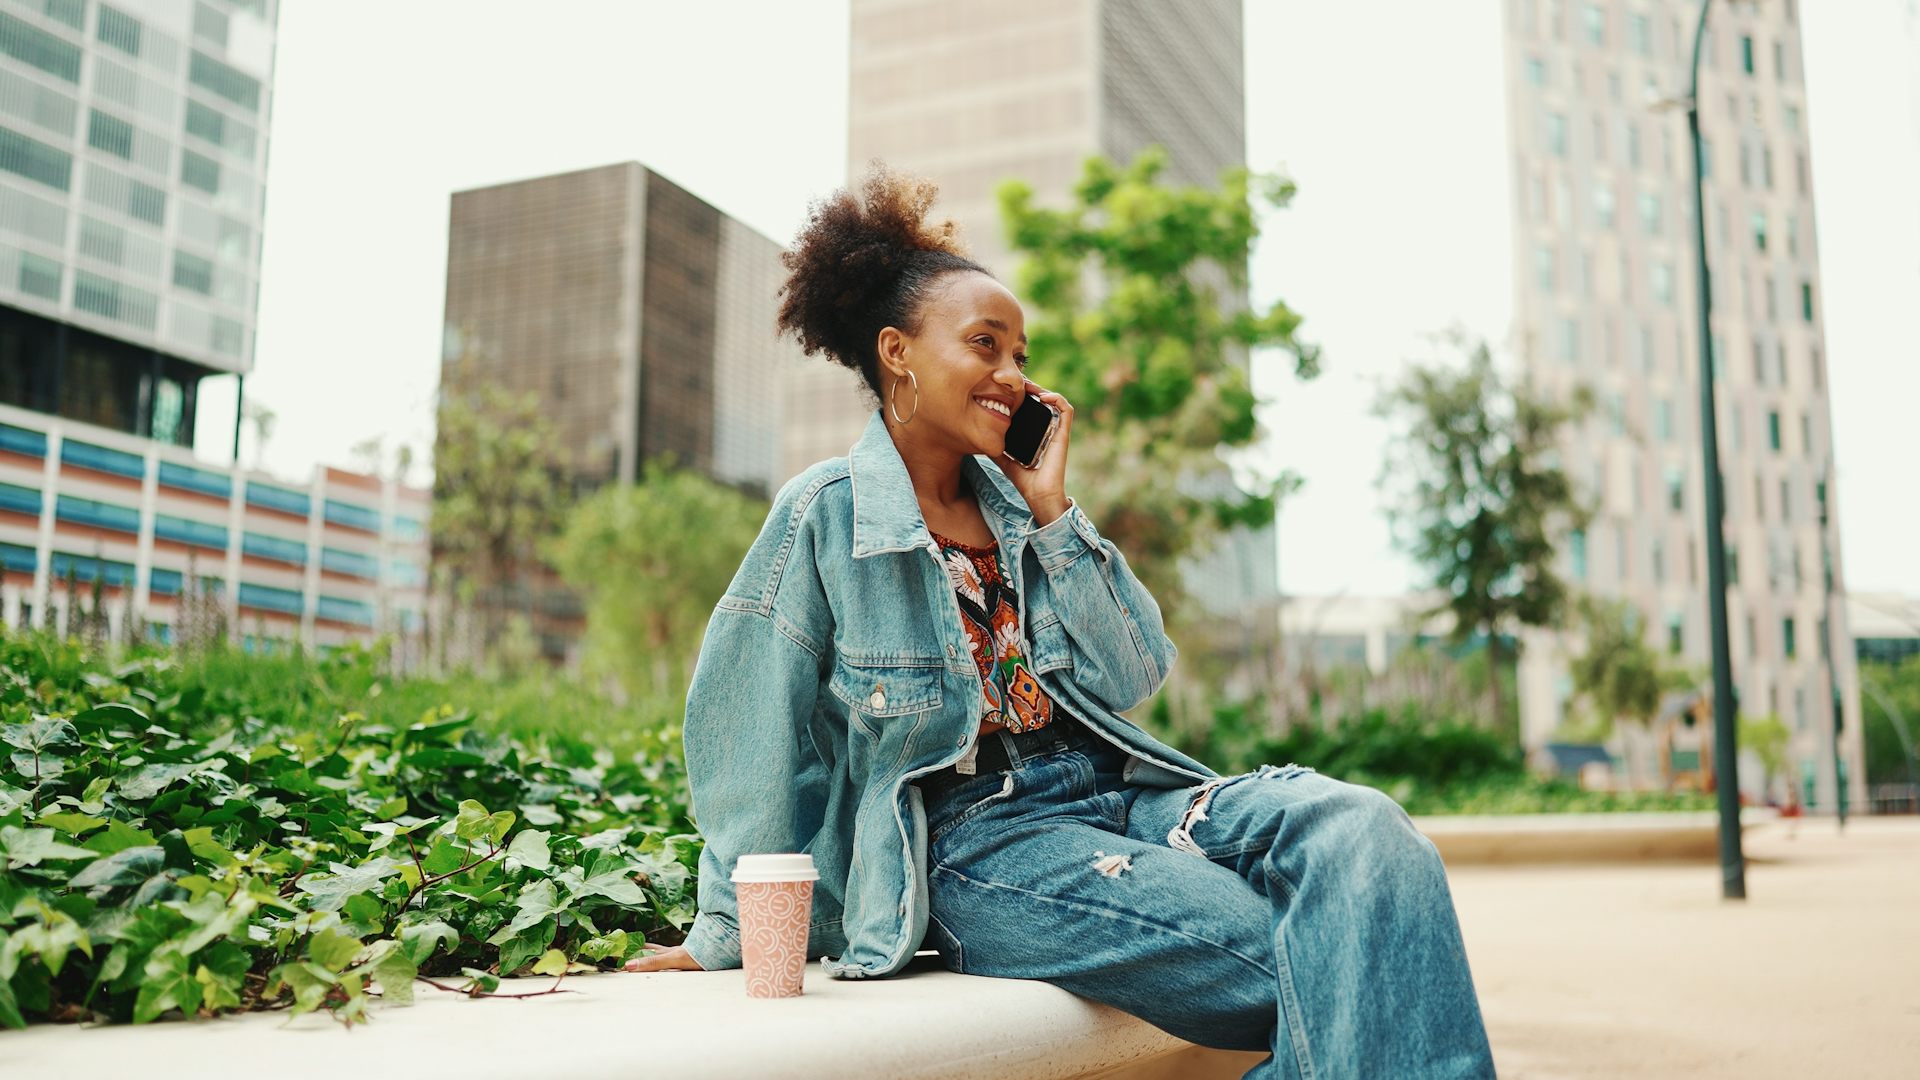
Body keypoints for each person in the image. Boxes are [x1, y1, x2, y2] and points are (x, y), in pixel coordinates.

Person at [623, 164, 1498, 1078]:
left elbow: (1132, 675)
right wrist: (730, 926)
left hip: (1123, 799)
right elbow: (748, 736)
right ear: (897, 353)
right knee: (1315, 962)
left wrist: (1054, 516)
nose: (1016, 376)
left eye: (1021, 354)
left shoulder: (1021, 510)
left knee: (1363, 828)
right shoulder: (825, 517)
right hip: (977, 845)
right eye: (986, 346)